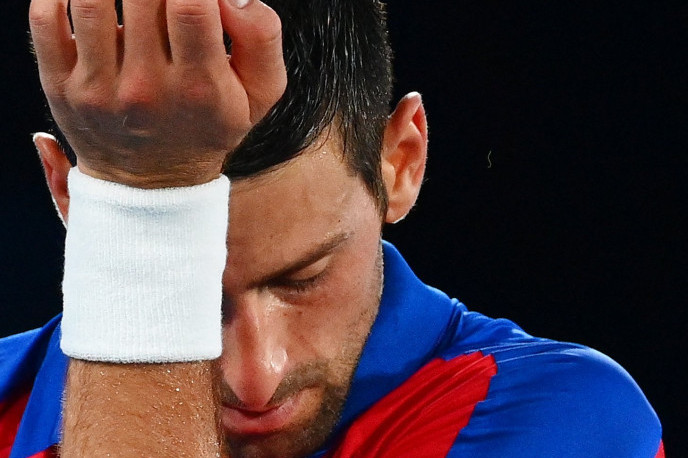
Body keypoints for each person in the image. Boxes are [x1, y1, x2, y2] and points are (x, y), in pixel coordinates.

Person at [0, 0, 664, 456]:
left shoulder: (568, 418)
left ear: (402, 161)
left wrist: (145, 211)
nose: (257, 378)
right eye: (192, 296)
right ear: (69, 197)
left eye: (304, 278)